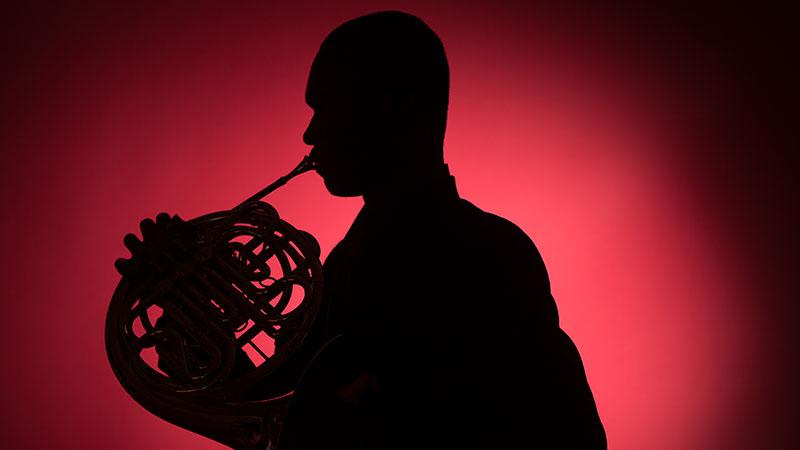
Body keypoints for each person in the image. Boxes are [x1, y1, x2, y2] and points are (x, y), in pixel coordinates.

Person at [279, 10, 607, 450]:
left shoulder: (491, 254)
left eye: (327, 107)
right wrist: (198, 352)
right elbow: (286, 419)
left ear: (390, 106)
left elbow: (568, 435)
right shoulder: (345, 263)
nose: (310, 133)